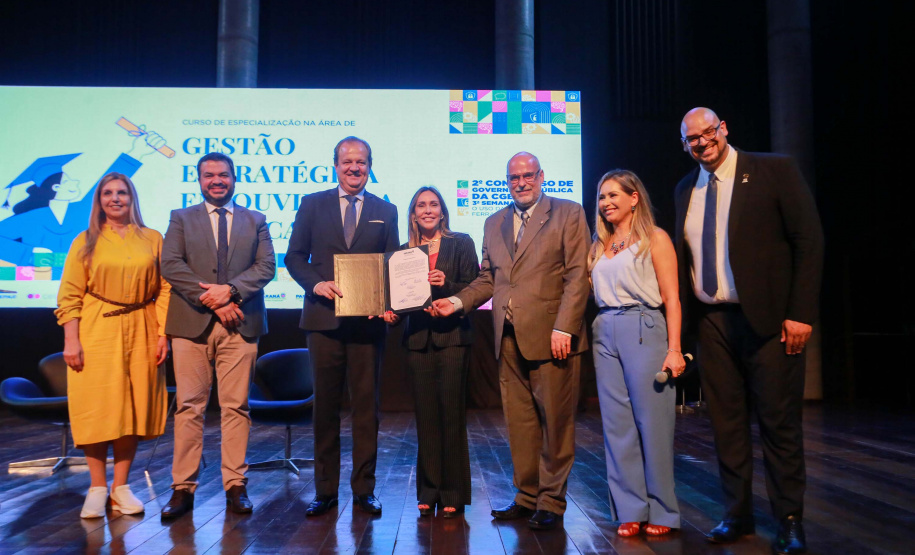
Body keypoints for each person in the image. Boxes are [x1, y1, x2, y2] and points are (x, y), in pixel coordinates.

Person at [675, 107, 823, 554]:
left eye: (708, 132)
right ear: (685, 146)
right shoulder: (686, 188)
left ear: (724, 128)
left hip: (770, 321)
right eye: (692, 139)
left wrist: (799, 312)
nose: (702, 142)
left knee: (779, 425)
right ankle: (736, 514)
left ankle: (790, 520)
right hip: (713, 323)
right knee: (727, 425)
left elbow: (809, 241)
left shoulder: (774, 169)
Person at [431, 152, 590, 531]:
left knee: (556, 421)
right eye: (514, 177)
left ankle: (551, 501)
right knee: (519, 423)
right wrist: (456, 301)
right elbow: (489, 279)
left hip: (555, 337)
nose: (521, 182)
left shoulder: (568, 213)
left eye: (528, 175)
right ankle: (526, 496)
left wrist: (565, 327)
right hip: (508, 336)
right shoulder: (494, 221)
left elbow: (577, 276)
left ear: (541, 176)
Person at [285, 136, 399, 517]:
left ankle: (364, 490)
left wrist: (387, 303)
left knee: (367, 410)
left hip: (368, 325)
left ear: (370, 165)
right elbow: (294, 256)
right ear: (335, 165)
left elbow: (393, 265)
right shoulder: (312, 204)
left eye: (362, 162)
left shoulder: (387, 209)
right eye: (348, 162)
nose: (355, 168)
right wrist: (316, 284)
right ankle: (325, 491)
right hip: (323, 320)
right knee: (326, 410)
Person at [159, 152, 276, 520]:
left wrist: (230, 293)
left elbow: (267, 266)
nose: (217, 181)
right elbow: (171, 264)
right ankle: (183, 489)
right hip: (190, 324)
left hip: (241, 323)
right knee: (189, 407)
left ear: (234, 178)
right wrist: (213, 299)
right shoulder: (181, 218)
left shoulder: (255, 219)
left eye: (223, 175)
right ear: (199, 180)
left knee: (235, 407)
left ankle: (235, 485)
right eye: (209, 175)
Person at [56, 172, 171, 519]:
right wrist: (71, 340)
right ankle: (96, 487)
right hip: (96, 327)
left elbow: (165, 288)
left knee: (132, 409)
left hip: (142, 326)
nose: (115, 199)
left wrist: (162, 332)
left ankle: (121, 486)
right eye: (108, 193)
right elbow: (70, 294)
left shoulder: (152, 238)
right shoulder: (85, 240)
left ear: (132, 198)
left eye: (122, 192)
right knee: (98, 407)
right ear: (99, 200)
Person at [588, 170, 684, 537]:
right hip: (604, 329)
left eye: (614, 195)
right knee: (617, 426)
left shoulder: (654, 239)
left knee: (653, 424)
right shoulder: (599, 245)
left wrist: (674, 349)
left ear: (634, 198)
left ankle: (663, 510)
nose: (607, 202)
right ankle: (630, 508)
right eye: (601, 197)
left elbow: (672, 299)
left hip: (644, 326)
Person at [383, 187, 479, 518]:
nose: (427, 210)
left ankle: (453, 492)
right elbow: (396, 302)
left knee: (452, 417)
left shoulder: (461, 242)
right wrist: (390, 313)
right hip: (417, 340)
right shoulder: (401, 253)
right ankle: (429, 490)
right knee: (425, 418)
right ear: (413, 214)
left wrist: (445, 284)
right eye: (421, 205)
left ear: (442, 212)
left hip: (453, 339)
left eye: (433, 204)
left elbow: (474, 288)